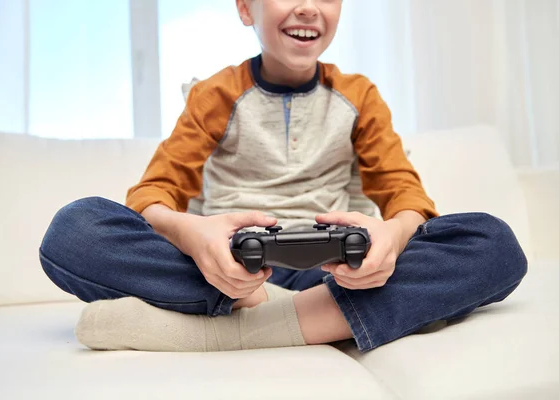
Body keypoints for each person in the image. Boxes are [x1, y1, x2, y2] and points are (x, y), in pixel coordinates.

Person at [39, 0, 527, 353]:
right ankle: (307, 319)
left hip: (335, 271)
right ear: (246, 8)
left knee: (493, 243)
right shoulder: (214, 94)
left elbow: (406, 196)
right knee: (75, 230)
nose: (309, 8)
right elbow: (152, 194)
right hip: (232, 272)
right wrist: (193, 233)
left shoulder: (359, 96)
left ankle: (237, 329)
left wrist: (390, 237)